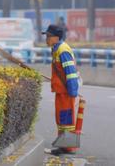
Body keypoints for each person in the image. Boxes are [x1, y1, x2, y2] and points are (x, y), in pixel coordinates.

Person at [43, 23, 80, 156]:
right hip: (61, 91)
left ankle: (68, 148)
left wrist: (72, 91)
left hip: (66, 92)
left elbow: (70, 72)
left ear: (57, 37)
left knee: (66, 120)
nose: (46, 39)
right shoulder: (56, 48)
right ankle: (64, 145)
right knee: (62, 119)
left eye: (48, 36)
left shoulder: (63, 50)